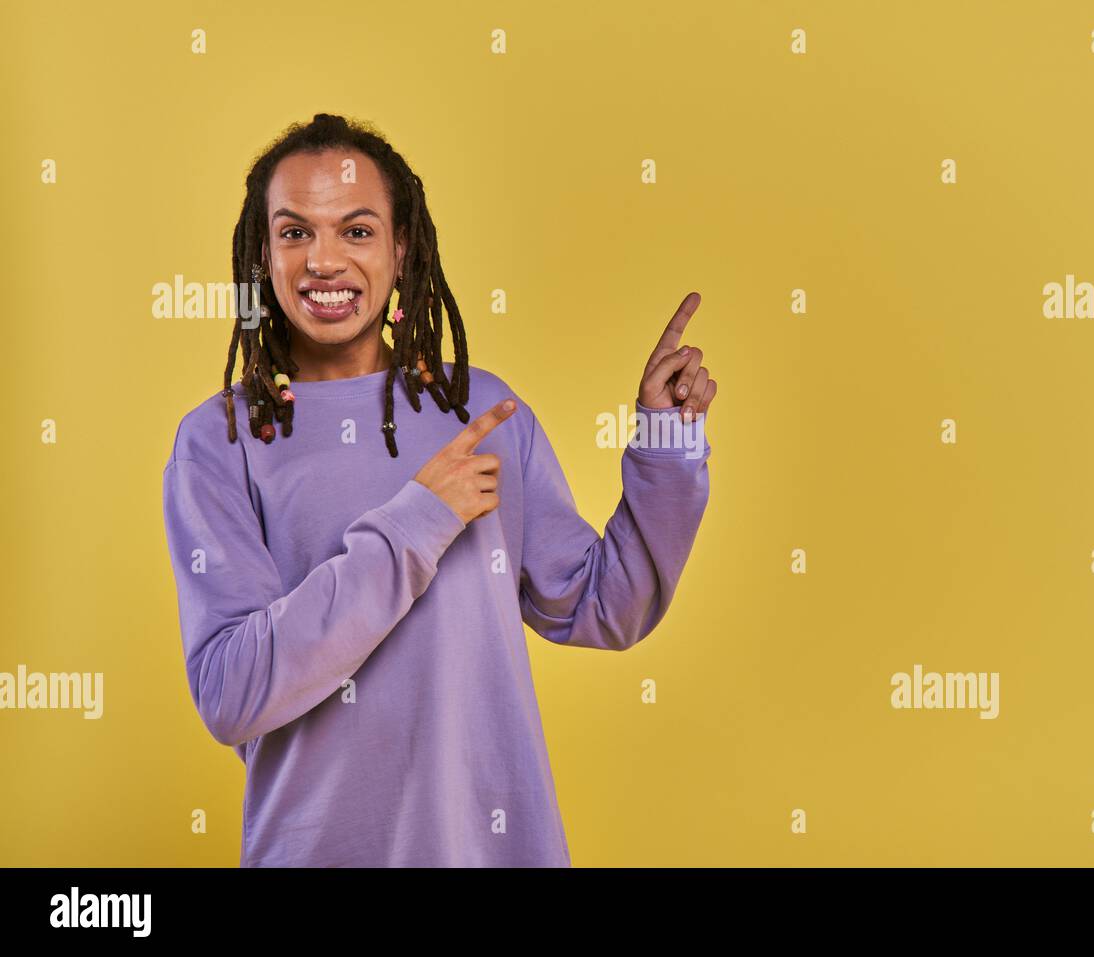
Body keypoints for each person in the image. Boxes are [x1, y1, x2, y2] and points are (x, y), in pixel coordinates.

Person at [161, 113, 716, 866]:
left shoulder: (480, 413)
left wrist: (665, 442)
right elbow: (232, 692)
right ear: (264, 255)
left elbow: (603, 605)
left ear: (401, 248)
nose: (323, 260)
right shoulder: (218, 442)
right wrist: (418, 520)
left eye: (356, 231)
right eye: (295, 233)